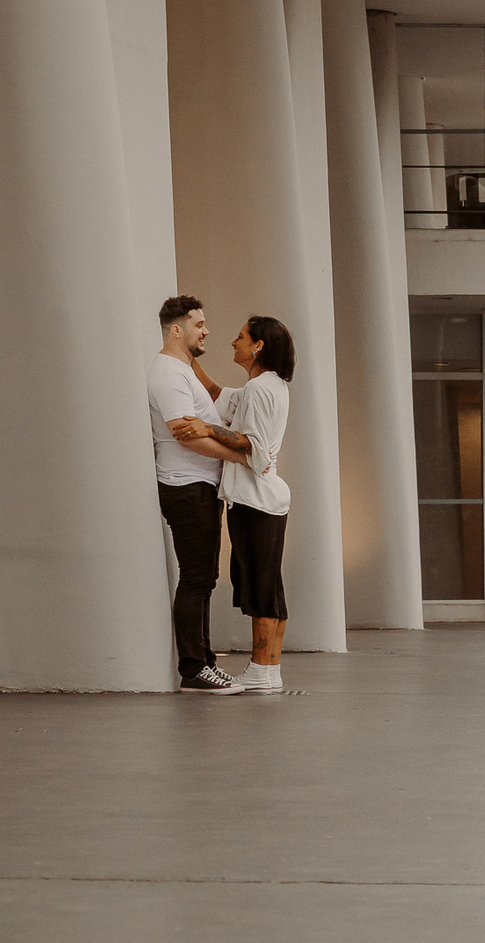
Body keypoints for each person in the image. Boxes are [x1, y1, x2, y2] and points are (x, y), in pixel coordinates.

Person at [171, 316, 295, 694]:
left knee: (260, 587)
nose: (231, 342)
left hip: (254, 501)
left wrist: (207, 429)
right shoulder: (266, 386)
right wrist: (188, 357)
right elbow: (219, 395)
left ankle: (260, 670)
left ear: (257, 346)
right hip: (267, 500)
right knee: (270, 587)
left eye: (240, 337)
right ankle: (269, 671)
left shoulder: (260, 388)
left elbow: (251, 443)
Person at [148, 295, 251, 694]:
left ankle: (205, 662)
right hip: (185, 487)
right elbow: (184, 435)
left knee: (204, 578)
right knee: (195, 579)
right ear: (177, 329)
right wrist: (239, 457)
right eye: (199, 324)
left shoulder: (183, 369)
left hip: (200, 487)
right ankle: (193, 670)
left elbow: (207, 416)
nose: (206, 330)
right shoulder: (168, 374)